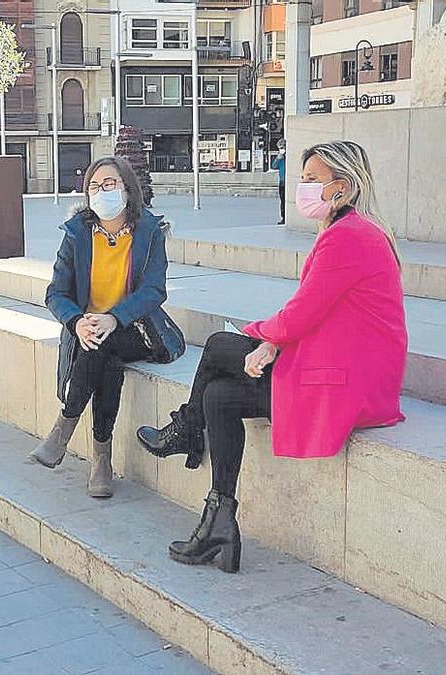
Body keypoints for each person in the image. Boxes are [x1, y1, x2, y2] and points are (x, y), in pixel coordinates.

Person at [137, 141, 406, 573]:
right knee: (220, 397)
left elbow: (304, 310)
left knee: (223, 346)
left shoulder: (350, 237)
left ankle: (187, 431)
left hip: (350, 383)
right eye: (303, 178)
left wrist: (263, 337)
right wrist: (273, 341)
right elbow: (311, 308)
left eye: (314, 180)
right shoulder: (348, 230)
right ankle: (220, 520)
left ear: (345, 187)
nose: (303, 188)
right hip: (340, 367)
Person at [31, 156, 184, 498]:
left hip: (137, 328)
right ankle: (101, 459)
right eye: (95, 187)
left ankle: (64, 429)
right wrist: (77, 322)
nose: (102, 192)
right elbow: (56, 293)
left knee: (107, 344)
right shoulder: (76, 234)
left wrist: (115, 317)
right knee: (105, 355)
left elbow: (154, 289)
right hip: (90, 329)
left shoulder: (149, 231)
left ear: (128, 190)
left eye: (110, 185)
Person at [271, 139, 287, 224]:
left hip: (288, 181)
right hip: (282, 181)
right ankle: (283, 217)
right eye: (280, 148)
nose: (281, 149)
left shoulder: (289, 157)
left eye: (282, 147)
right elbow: (274, 166)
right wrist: (278, 158)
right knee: (282, 200)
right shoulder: (280, 157)